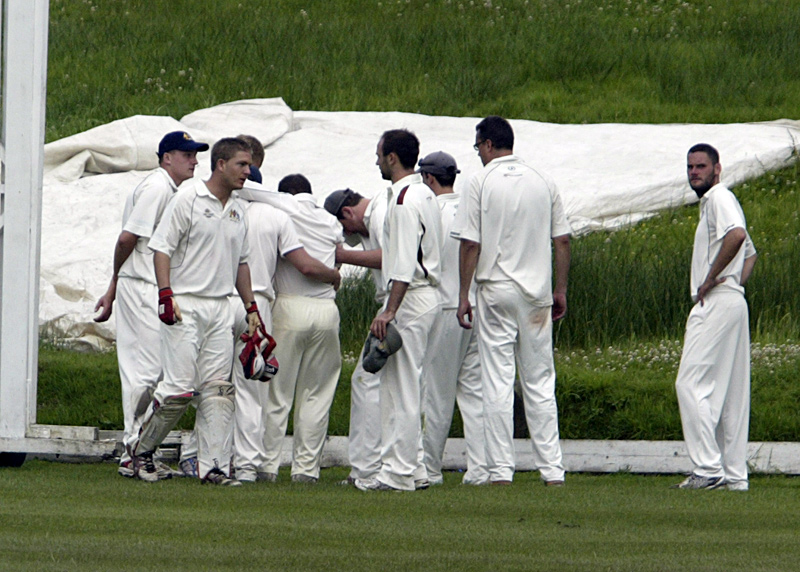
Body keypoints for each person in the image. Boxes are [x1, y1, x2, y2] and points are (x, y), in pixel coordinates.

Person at [130, 137, 259, 486]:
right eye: (242, 164)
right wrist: (165, 294)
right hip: (185, 305)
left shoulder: (239, 209)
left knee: (218, 390)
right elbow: (161, 248)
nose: (248, 172)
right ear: (221, 164)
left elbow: (242, 263)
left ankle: (213, 468)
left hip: (220, 306)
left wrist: (251, 308)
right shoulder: (188, 198)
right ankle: (140, 454)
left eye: (249, 165)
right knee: (178, 390)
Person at [456, 116, 571, 486]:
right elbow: (562, 240)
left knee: (497, 382)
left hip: (496, 291)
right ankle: (552, 470)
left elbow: (470, 243)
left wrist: (463, 294)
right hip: (537, 293)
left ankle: (501, 470)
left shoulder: (480, 181)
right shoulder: (543, 179)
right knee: (540, 381)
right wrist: (560, 289)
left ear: (489, 144)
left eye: (478, 147)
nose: (478, 153)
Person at [94, 130, 208, 480]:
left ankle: (142, 448)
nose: (194, 161)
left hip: (146, 285)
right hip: (141, 286)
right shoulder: (157, 187)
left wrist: (116, 286)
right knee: (143, 372)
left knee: (159, 370)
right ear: (166, 158)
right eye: (186, 154)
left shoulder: (169, 189)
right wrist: (116, 283)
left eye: (195, 154)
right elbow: (127, 238)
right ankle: (133, 450)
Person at [231, 144, 341, 483]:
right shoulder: (329, 220)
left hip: (290, 306)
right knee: (317, 394)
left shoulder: (282, 207)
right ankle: (306, 469)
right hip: (327, 310)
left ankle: (267, 464)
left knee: (277, 392)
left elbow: (253, 191)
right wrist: (334, 275)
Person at [354, 129, 442, 492]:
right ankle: (415, 468)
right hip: (428, 297)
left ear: (392, 158)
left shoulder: (404, 199)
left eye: (379, 155)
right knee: (412, 387)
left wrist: (389, 310)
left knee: (398, 390)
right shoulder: (425, 193)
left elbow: (404, 264)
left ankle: (397, 473)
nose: (377, 161)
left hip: (411, 298)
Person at [672, 143, 757, 491]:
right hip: (733, 300)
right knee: (730, 394)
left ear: (717, 168)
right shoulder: (720, 202)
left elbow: (737, 236)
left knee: (689, 383)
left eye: (701, 166)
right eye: (690, 167)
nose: (694, 172)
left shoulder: (718, 198)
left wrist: (711, 279)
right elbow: (750, 253)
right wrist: (735, 281)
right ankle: (734, 475)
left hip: (717, 300)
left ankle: (708, 468)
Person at [417, 151, 488, 486]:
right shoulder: (472, 209)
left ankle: (430, 468)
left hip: (447, 307)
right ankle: (481, 469)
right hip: (477, 306)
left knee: (437, 394)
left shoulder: (432, 212)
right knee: (474, 393)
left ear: (429, 178)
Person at [324, 187, 388, 486]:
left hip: (401, 303)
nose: (350, 235)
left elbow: (392, 258)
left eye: (346, 228)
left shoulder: (381, 214)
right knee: (397, 387)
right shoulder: (377, 215)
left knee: (366, 380)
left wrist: (342, 256)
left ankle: (366, 468)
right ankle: (403, 466)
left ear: (348, 212)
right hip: (404, 303)